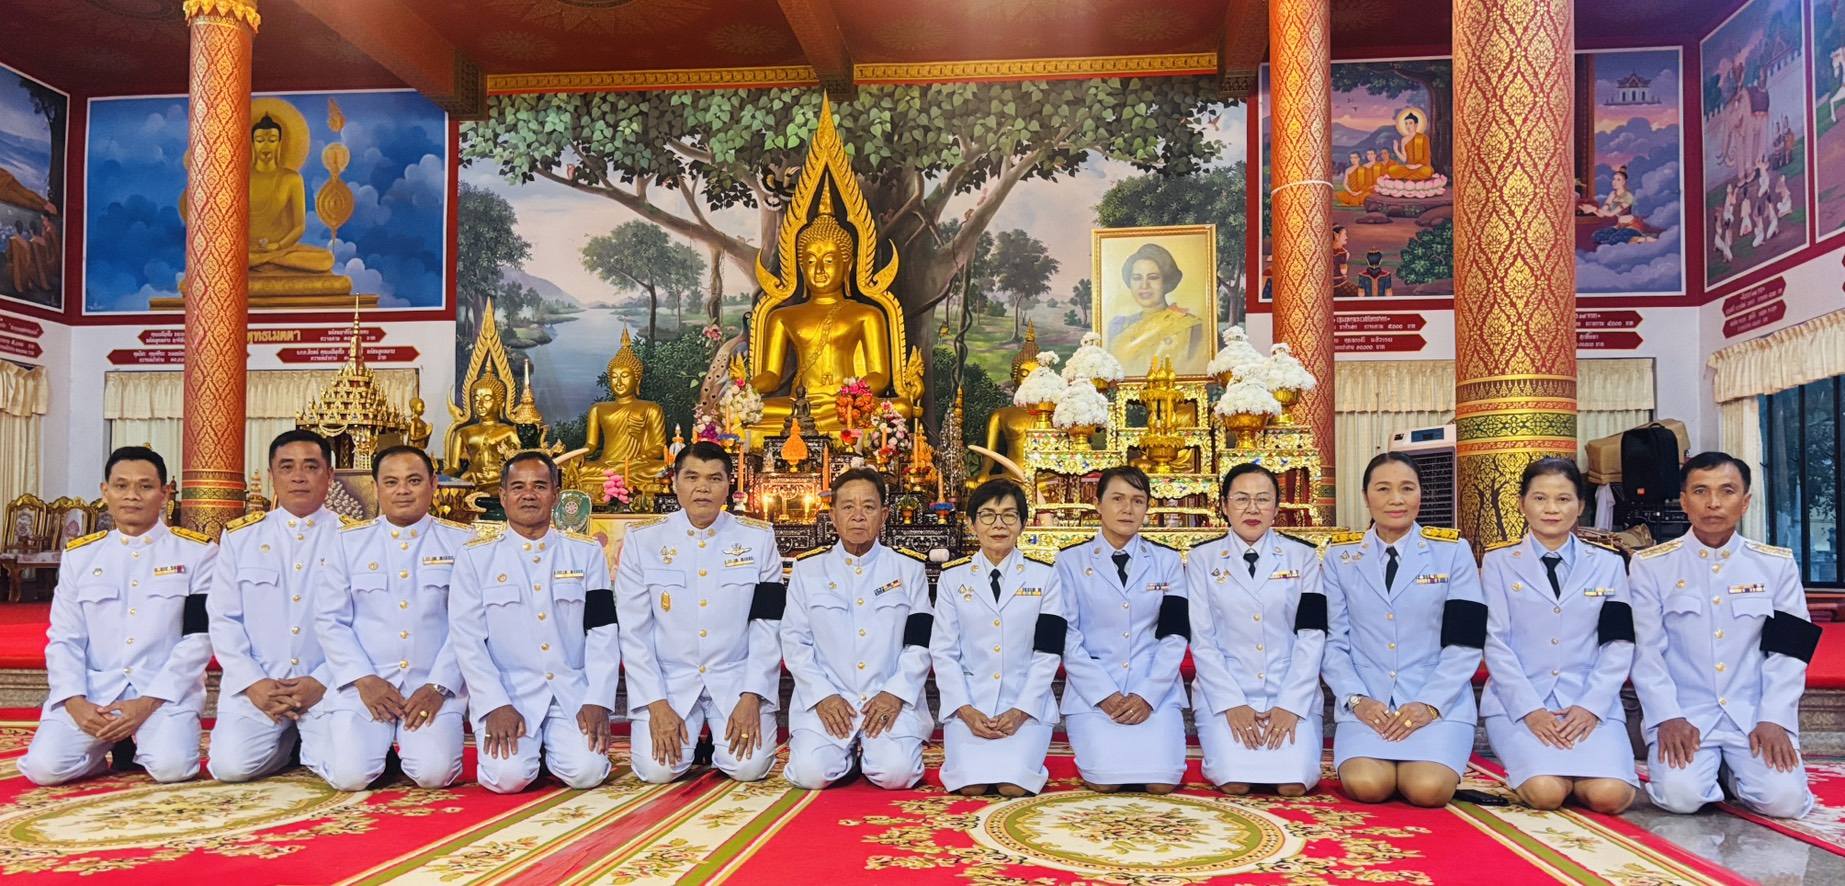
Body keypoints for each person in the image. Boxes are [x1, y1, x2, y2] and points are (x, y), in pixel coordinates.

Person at [1630, 452, 1816, 819]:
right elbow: (1645, 651)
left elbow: (1790, 651)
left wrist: (1775, 717)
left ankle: (1730, 773)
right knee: (1680, 798)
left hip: (1752, 713)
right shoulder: (1651, 566)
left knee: (1785, 802)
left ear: (1745, 502)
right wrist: (1667, 716)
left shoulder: (1776, 565)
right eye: (1700, 491)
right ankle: (1713, 770)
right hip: (1686, 713)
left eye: (1727, 491)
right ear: (1684, 501)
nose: (1713, 503)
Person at [21, 447, 216, 785]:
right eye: (121, 485)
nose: (132, 496)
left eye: (145, 486)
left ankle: (138, 741)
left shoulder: (197, 553)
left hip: (160, 691)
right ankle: (101, 751)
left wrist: (147, 702)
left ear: (165, 493)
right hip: (96, 690)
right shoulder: (81, 557)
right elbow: (65, 638)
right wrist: (74, 701)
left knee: (173, 769)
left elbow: (198, 639)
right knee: (44, 769)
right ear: (105, 491)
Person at [1323, 452, 1484, 807]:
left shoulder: (1452, 552)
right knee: (1367, 786)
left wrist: (1430, 703)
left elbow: (1465, 641)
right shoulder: (1340, 557)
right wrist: (1356, 699)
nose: (1396, 499)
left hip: (1435, 701)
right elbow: (1334, 642)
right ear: (1366, 496)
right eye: (1383, 489)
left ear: (1420, 494)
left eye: (1407, 488)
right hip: (1369, 702)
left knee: (1427, 789)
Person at [618, 441, 784, 784]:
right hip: (670, 681)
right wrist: (655, 702)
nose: (703, 488)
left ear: (729, 486)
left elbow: (768, 625)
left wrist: (752, 694)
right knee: (656, 771)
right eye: (692, 477)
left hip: (735, 678)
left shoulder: (758, 539)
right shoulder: (643, 540)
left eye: (714, 478)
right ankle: (693, 745)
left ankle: (713, 743)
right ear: (675, 482)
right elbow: (634, 631)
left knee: (749, 768)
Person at [449, 452, 616, 792]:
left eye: (539, 486)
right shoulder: (476, 557)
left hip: (570, 691)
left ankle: (550, 747)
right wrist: (494, 703)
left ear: (556, 494)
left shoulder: (585, 553)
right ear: (502, 496)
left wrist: (598, 697)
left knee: (587, 773)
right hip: (511, 693)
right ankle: (533, 751)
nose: (529, 495)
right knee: (506, 778)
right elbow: (467, 640)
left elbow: (602, 630)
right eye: (518, 487)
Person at [312, 446, 475, 790]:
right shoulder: (348, 542)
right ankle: (350, 746)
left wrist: (439, 685)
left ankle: (393, 748)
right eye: (391, 482)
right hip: (365, 685)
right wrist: (363, 679)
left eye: (414, 481)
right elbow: (329, 620)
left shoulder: (462, 543)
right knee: (349, 777)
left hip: (431, 686)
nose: (403, 490)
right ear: (376, 487)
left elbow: (469, 624)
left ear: (433, 484)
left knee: (434, 775)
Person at [1480, 458, 1637, 814]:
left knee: (1610, 796)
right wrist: (1530, 709)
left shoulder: (1609, 563)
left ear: (1580, 506)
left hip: (1586, 702)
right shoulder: (1499, 563)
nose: (1551, 509)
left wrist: (1591, 706)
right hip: (1521, 704)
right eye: (1540, 498)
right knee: (1546, 793)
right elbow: (1495, 643)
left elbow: (1618, 642)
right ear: (1522, 504)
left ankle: (1585, 767)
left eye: (1563, 499)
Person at [780, 468, 933, 790]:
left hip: (886, 696)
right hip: (830, 697)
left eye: (869, 507)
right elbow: (795, 642)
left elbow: (920, 642)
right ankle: (847, 757)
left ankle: (874, 750)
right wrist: (823, 695)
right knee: (810, 774)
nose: (858, 516)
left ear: (884, 515)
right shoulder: (808, 570)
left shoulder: (908, 568)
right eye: (848, 507)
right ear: (833, 516)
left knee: (897, 775)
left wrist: (895, 693)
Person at [207, 430, 345, 782]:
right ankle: (288, 746)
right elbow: (223, 618)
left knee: (348, 772)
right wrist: (253, 682)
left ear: (330, 475)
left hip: (327, 683)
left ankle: (306, 742)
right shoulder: (241, 537)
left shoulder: (353, 538)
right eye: (287, 467)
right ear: (272, 475)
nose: (298, 477)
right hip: (260, 684)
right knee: (229, 768)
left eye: (310, 467)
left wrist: (322, 680)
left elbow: (366, 622)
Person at [1185, 463, 1327, 796]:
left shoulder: (1303, 557)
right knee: (1234, 782)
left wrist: (1291, 703)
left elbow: (1312, 635)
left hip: (1289, 689)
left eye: (1263, 499)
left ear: (1276, 507)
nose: (1252, 509)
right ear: (1224, 505)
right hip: (1227, 691)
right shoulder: (1202, 559)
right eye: (1241, 499)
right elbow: (1202, 640)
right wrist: (1231, 702)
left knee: (1294, 784)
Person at [1052, 465, 1188, 793]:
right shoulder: (1070, 562)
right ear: (1098, 504)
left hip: (1153, 690)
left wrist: (1147, 694)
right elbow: (1067, 635)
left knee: (1161, 782)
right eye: (1117, 498)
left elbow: (1174, 634)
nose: (1127, 508)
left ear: (1147, 507)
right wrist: (1104, 694)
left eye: (1137, 500)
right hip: (1094, 693)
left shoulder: (1167, 561)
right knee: (1105, 781)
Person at [932, 479, 1065, 797]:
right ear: (971, 523)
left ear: (1023, 523)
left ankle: (1028, 749)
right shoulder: (952, 578)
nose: (998, 524)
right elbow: (943, 651)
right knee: (971, 786)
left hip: (1024, 703)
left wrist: (1022, 709)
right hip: (970, 703)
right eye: (988, 515)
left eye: (1009, 515)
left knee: (1014, 786)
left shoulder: (1045, 576)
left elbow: (1048, 651)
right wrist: (964, 708)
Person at [1106, 243, 1205, 373]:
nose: (1144, 285)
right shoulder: (1118, 326)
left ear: (1166, 282)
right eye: (1137, 278)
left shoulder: (1190, 326)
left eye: (1153, 278)